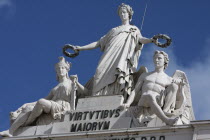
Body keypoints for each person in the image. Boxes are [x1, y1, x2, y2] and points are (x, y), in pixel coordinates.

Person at [73, 3, 155, 99]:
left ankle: (114, 94)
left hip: (122, 56)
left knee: (118, 71)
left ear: (129, 14)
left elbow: (141, 39)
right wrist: (81, 48)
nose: (122, 14)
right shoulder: (113, 30)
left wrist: (151, 40)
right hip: (109, 54)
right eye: (120, 13)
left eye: (124, 12)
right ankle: (97, 96)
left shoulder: (133, 29)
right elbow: (99, 43)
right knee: (100, 71)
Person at [0, 57, 87, 137]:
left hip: (62, 106)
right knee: (29, 108)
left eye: (63, 68)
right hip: (54, 104)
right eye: (58, 69)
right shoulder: (55, 87)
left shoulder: (71, 82)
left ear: (67, 70)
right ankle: (11, 131)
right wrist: (26, 104)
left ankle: (28, 122)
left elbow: (86, 92)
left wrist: (76, 83)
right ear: (56, 71)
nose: (60, 70)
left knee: (41, 102)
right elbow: (46, 98)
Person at [122, 51, 179, 126]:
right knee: (148, 95)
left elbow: (174, 92)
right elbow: (135, 91)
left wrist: (178, 82)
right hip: (144, 101)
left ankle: (164, 111)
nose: (156, 60)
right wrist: (128, 103)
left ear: (165, 61)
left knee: (174, 86)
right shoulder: (145, 75)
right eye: (155, 58)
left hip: (157, 102)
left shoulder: (168, 79)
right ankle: (166, 120)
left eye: (159, 58)